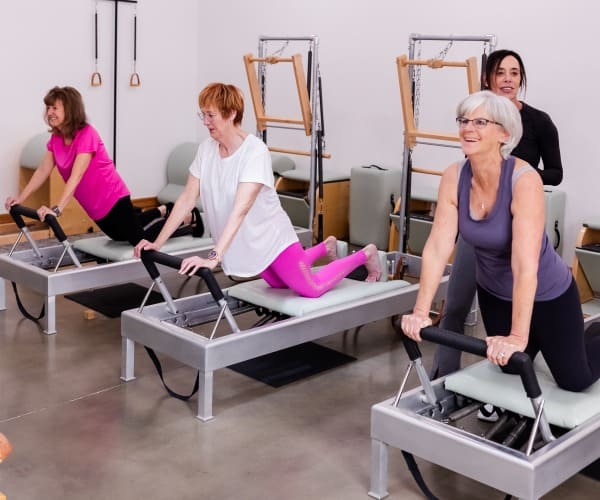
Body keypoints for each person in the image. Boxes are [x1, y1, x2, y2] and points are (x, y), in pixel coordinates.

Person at [401, 90, 600, 393]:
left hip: (547, 293)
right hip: (494, 293)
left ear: (504, 133)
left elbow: (524, 266)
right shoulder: (454, 176)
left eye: (480, 122)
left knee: (575, 380)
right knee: (508, 367)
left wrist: (517, 336)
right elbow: (438, 247)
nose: (468, 128)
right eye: (464, 120)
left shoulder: (524, 180)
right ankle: (538, 338)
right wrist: (420, 311)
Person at [134, 82, 381, 297]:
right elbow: (187, 198)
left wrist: (213, 258)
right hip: (250, 241)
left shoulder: (254, 152)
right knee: (279, 284)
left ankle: (365, 255)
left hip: (272, 237)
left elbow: (240, 210)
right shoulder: (206, 149)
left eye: (211, 115)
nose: (205, 122)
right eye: (203, 115)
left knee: (311, 288)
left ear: (231, 113)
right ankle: (324, 248)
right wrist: (158, 243)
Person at [430, 50, 564, 378]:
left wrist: (517, 175)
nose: (507, 79)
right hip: (479, 226)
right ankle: (443, 377)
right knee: (456, 305)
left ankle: (523, 363)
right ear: (488, 78)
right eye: (500, 72)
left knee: (524, 304)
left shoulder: (539, 122)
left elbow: (556, 173)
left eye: (514, 73)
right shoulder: (476, 117)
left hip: (519, 227)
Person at [4, 86, 201, 246]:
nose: (49, 112)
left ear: (69, 109)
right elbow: (42, 171)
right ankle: (165, 209)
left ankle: (186, 219)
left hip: (112, 196)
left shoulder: (86, 134)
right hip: (94, 205)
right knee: (119, 235)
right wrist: (20, 199)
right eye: (48, 108)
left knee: (138, 238)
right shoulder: (56, 139)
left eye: (54, 108)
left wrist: (57, 209)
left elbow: (76, 176)